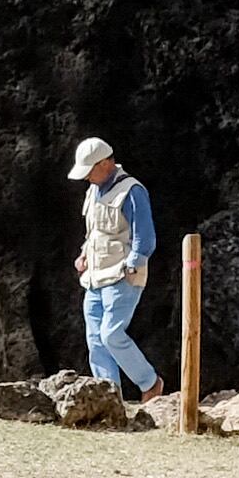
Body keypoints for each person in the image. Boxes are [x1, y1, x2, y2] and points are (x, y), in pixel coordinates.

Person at [66, 136, 161, 402]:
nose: (86, 178)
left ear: (106, 163)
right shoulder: (93, 191)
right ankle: (108, 398)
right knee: (95, 339)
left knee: (111, 333)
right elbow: (94, 233)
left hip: (121, 276)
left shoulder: (132, 190)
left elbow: (145, 236)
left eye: (89, 171)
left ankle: (150, 382)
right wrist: (83, 256)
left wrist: (133, 264)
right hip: (94, 278)